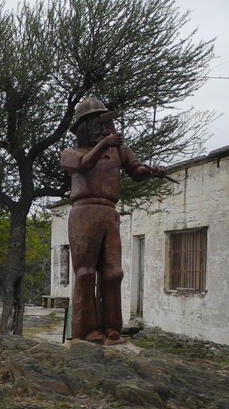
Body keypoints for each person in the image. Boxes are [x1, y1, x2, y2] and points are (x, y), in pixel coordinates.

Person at [61, 97, 168, 344]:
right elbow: (84, 165)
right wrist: (105, 144)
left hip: (109, 212)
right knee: (85, 273)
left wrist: (152, 171)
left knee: (113, 273)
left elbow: (136, 171)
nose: (103, 128)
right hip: (84, 213)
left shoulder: (119, 150)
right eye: (97, 123)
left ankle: (111, 328)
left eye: (105, 123)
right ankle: (86, 331)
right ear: (84, 127)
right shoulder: (71, 152)